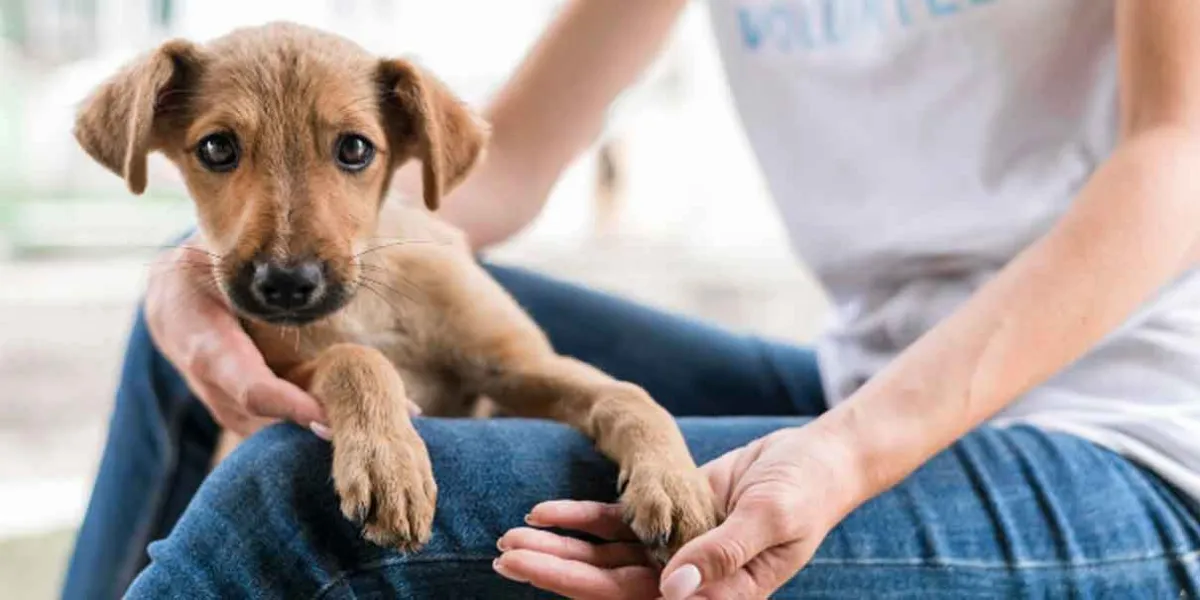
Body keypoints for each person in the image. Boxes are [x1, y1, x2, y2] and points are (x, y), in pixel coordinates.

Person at [62, 1, 1200, 598]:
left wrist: (846, 456)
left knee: (294, 499)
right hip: (865, 370)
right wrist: (191, 265)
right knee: (189, 314)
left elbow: (1179, 157)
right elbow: (488, 179)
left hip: (1127, 435)